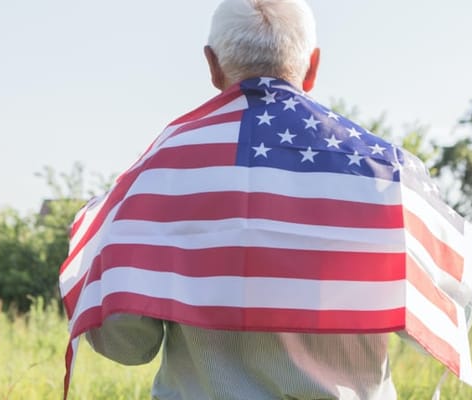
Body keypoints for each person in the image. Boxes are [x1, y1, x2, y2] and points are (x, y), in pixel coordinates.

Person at [82, 0, 400, 398]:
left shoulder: (160, 171)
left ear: (212, 66)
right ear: (313, 65)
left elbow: (127, 345)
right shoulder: (384, 172)